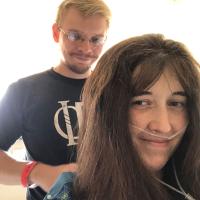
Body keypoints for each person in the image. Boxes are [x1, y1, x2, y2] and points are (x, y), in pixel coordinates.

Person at [44, 33, 200, 200]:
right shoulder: (72, 193)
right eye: (141, 102)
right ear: (106, 112)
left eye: (176, 103)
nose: (163, 126)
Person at [0, 0, 111, 199]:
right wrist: (37, 172)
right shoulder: (23, 92)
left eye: (96, 39)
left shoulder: (116, 90)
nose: (86, 48)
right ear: (55, 32)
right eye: (75, 36)